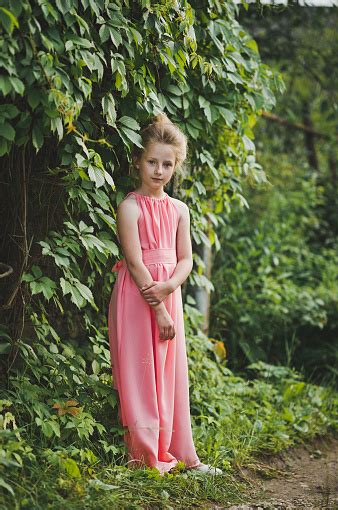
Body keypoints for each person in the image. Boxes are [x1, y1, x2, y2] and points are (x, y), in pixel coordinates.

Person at [108, 112, 222, 476]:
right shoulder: (129, 208)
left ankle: (181, 453)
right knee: (140, 371)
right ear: (138, 161)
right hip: (138, 299)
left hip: (167, 294)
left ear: (176, 166)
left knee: (170, 373)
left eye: (167, 164)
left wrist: (171, 287)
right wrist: (158, 308)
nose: (159, 170)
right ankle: (145, 456)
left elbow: (186, 259)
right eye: (152, 162)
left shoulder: (180, 210)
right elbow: (136, 263)